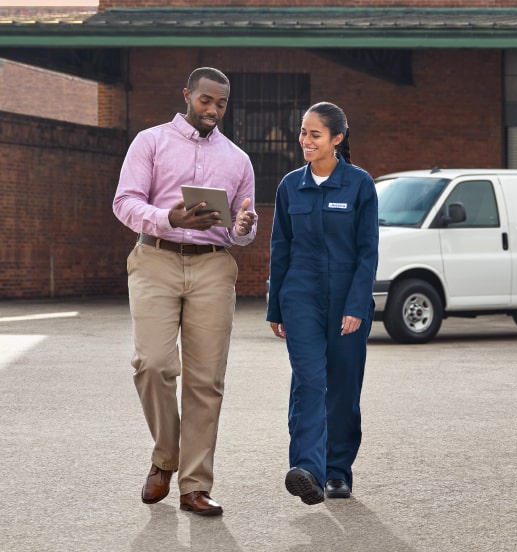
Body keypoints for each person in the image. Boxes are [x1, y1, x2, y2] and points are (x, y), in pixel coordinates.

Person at [113, 66, 257, 517]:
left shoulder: (238, 160)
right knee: (152, 364)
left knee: (206, 380)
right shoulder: (150, 142)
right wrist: (168, 219)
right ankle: (165, 458)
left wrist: (243, 228)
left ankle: (195, 485)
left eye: (221, 104)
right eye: (206, 100)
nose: (213, 110)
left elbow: (240, 229)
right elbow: (125, 201)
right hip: (155, 257)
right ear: (187, 96)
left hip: (214, 266)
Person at [267, 102, 379, 505]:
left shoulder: (359, 185)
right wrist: (274, 307)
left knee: (343, 388)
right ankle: (307, 470)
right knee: (310, 381)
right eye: (302, 132)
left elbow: (368, 252)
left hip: (347, 299)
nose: (305, 140)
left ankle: (337, 471)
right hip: (300, 296)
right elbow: (281, 248)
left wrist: (356, 306)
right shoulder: (289, 186)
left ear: (337, 139)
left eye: (314, 134)